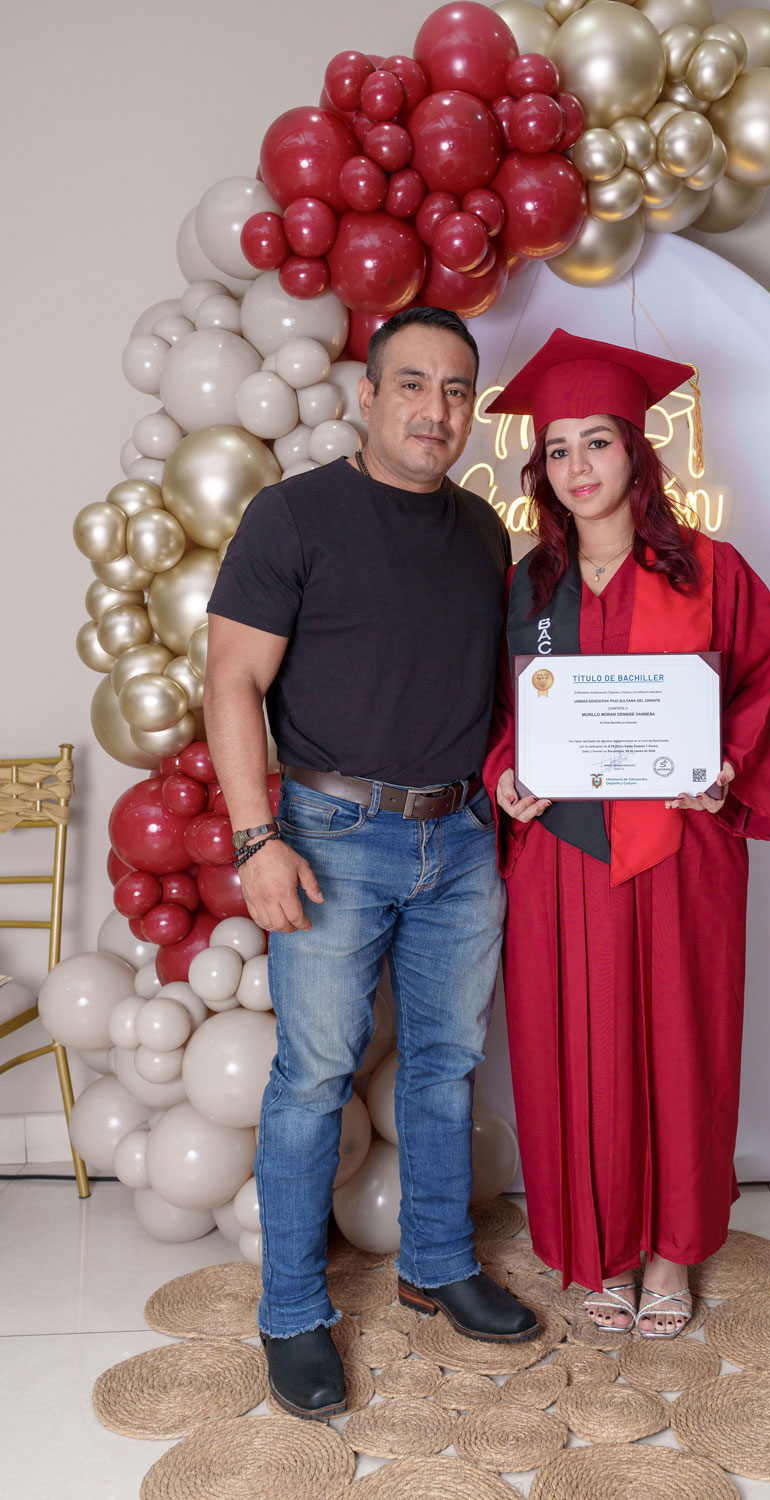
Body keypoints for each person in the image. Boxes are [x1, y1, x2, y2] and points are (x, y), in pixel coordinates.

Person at [203, 306, 539, 1425]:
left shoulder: (484, 532)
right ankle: (292, 1311)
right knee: (313, 1076)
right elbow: (232, 682)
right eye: (412, 384)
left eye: (456, 390)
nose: (434, 410)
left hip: (461, 838)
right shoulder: (293, 515)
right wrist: (257, 838)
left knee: (444, 1067)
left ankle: (436, 1262)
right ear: (368, 394)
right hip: (328, 837)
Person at [481, 330, 770, 1337]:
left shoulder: (713, 572)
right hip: (563, 855)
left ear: (636, 452)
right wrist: (506, 776)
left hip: (679, 848)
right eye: (557, 449)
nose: (577, 466)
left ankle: (669, 1252)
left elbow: (759, 687)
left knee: (680, 1041)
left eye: (597, 442)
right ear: (542, 469)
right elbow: (496, 717)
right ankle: (602, 1250)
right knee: (575, 1049)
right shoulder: (527, 588)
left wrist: (726, 767)